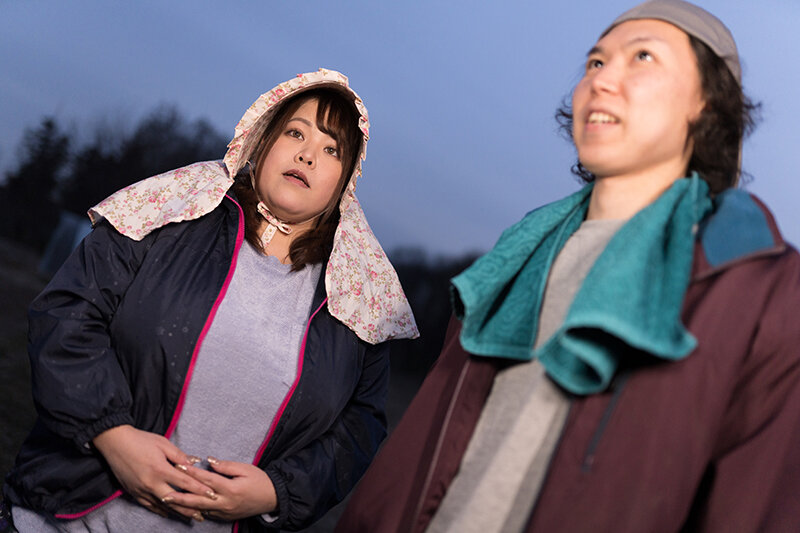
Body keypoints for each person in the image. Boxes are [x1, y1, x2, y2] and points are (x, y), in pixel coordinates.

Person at [336, 1, 800, 532]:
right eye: (595, 62)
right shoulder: (515, 259)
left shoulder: (760, 288)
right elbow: (417, 457)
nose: (601, 79)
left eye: (643, 57)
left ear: (708, 106)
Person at [2, 68, 418, 532]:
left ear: (345, 181)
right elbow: (67, 313)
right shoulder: (172, 210)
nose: (307, 154)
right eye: (296, 133)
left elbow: (359, 429)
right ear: (262, 140)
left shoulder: (360, 298)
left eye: (331, 149)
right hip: (65, 515)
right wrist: (112, 436)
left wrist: (277, 491)